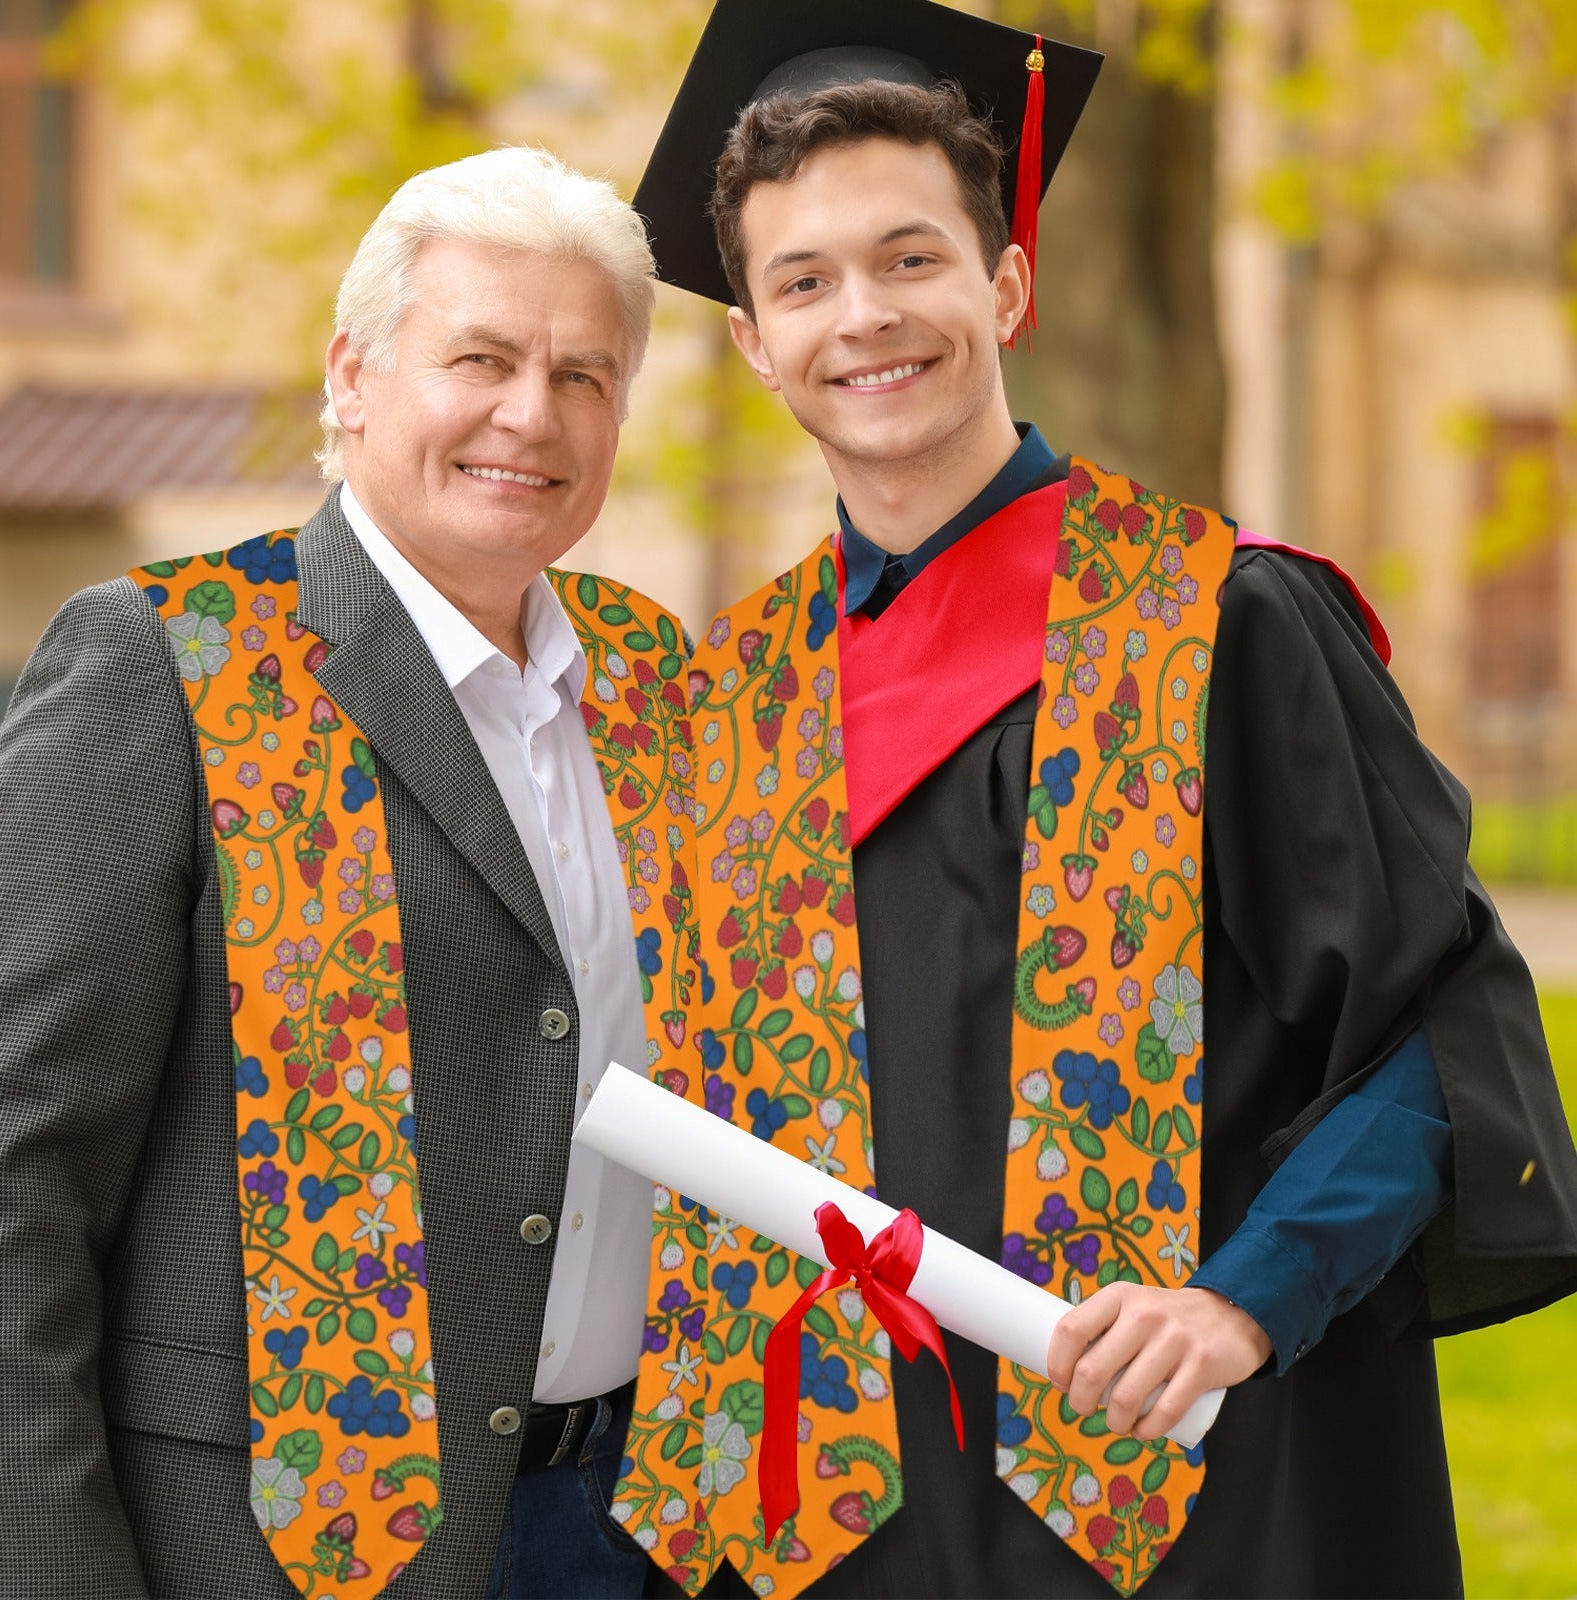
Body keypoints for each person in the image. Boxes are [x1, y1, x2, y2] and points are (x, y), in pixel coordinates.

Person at [608, 3, 1577, 1596]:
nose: (865, 316)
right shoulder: (731, 701)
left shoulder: (1221, 623)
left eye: (912, 259)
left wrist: (1246, 1299)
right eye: (805, 281)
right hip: (834, 1525)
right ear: (754, 341)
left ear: (1006, 282)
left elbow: (1439, 1033)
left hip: (1179, 1496)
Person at [0, 146, 701, 1600]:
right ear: (353, 376)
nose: (530, 413)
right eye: (481, 357)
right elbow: (7, 1175)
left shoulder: (655, 683)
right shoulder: (168, 663)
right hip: (271, 1549)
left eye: (583, 375)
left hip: (635, 1529)